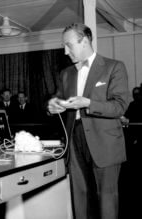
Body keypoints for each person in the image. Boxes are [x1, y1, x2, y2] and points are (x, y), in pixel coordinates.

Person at [47, 23, 129, 219]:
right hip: (74, 139)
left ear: (84, 41)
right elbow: (57, 98)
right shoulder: (66, 73)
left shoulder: (114, 67)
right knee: (79, 195)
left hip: (105, 141)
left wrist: (89, 103)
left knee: (106, 198)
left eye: (69, 45)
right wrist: (52, 105)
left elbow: (119, 106)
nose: (66, 52)